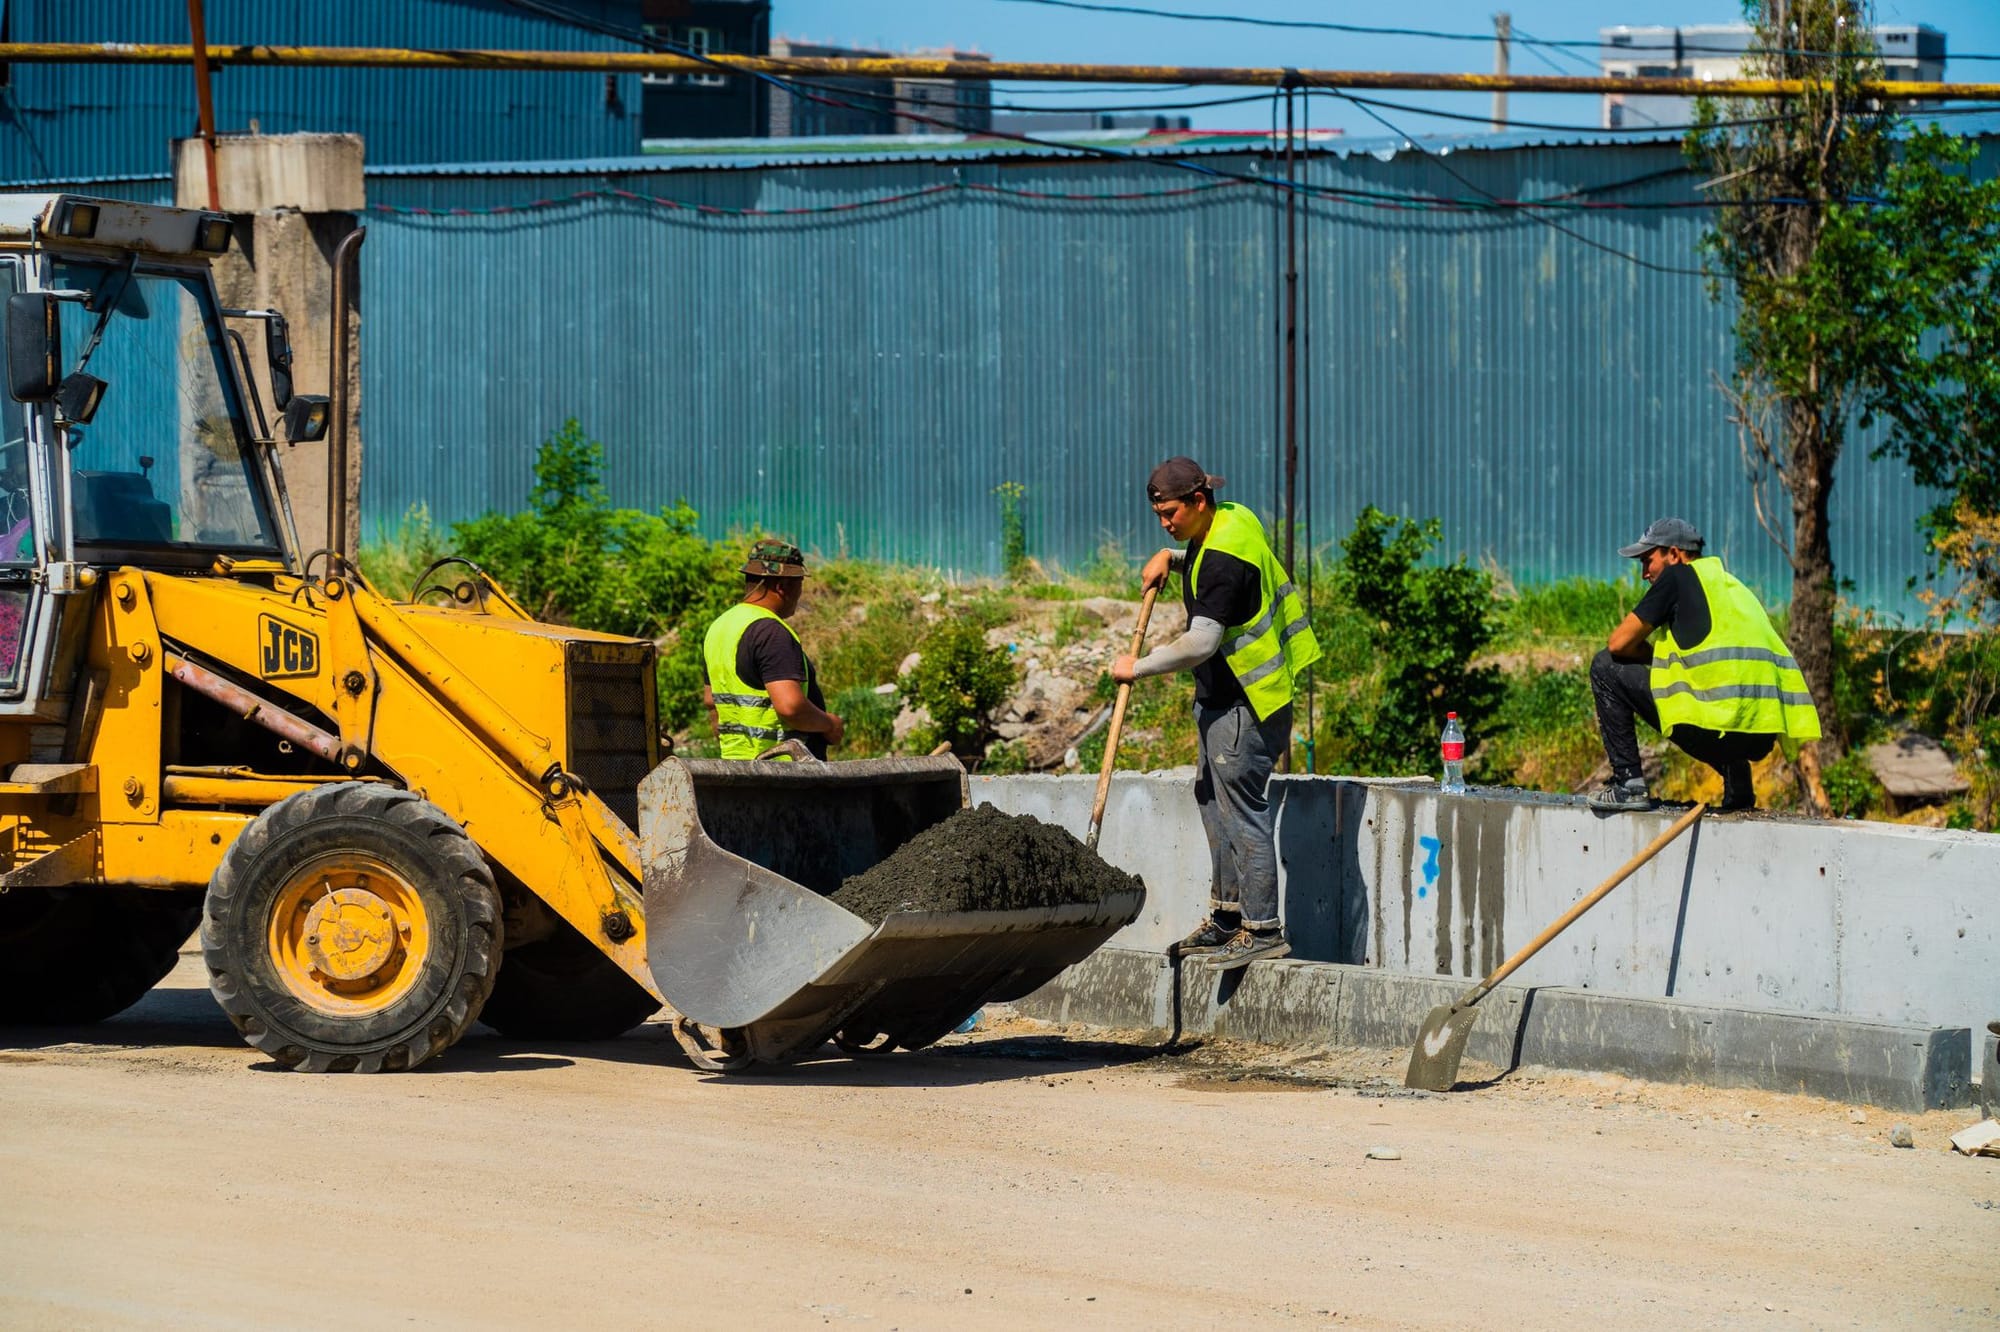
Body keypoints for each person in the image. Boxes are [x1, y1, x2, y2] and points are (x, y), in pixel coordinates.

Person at [1112, 457, 1321, 968]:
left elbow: (1201, 642)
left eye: (1170, 514)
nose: (1165, 523)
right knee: (1213, 804)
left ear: (1198, 501)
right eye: (1159, 516)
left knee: (1243, 813)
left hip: (1245, 707)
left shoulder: (1224, 564)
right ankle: (1228, 918)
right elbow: (1204, 555)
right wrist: (1171, 556)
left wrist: (1137, 667)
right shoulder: (1233, 517)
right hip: (1223, 701)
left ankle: (1262, 928)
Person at [1587, 517, 1820, 813]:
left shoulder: (1676, 576)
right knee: (1713, 699)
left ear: (1674, 554)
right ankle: (1738, 782)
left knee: (1605, 665)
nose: (1644, 573)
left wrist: (1653, 657)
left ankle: (1629, 786)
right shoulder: (1733, 587)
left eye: (1648, 560)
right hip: (1759, 736)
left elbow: (1619, 643)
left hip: (1714, 731)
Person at [702, 540, 844, 761]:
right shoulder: (771, 632)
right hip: (783, 770)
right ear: (782, 586)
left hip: (737, 766)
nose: (800, 594)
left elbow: (712, 702)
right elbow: (791, 707)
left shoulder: (720, 627)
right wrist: (830, 724)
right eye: (799, 584)